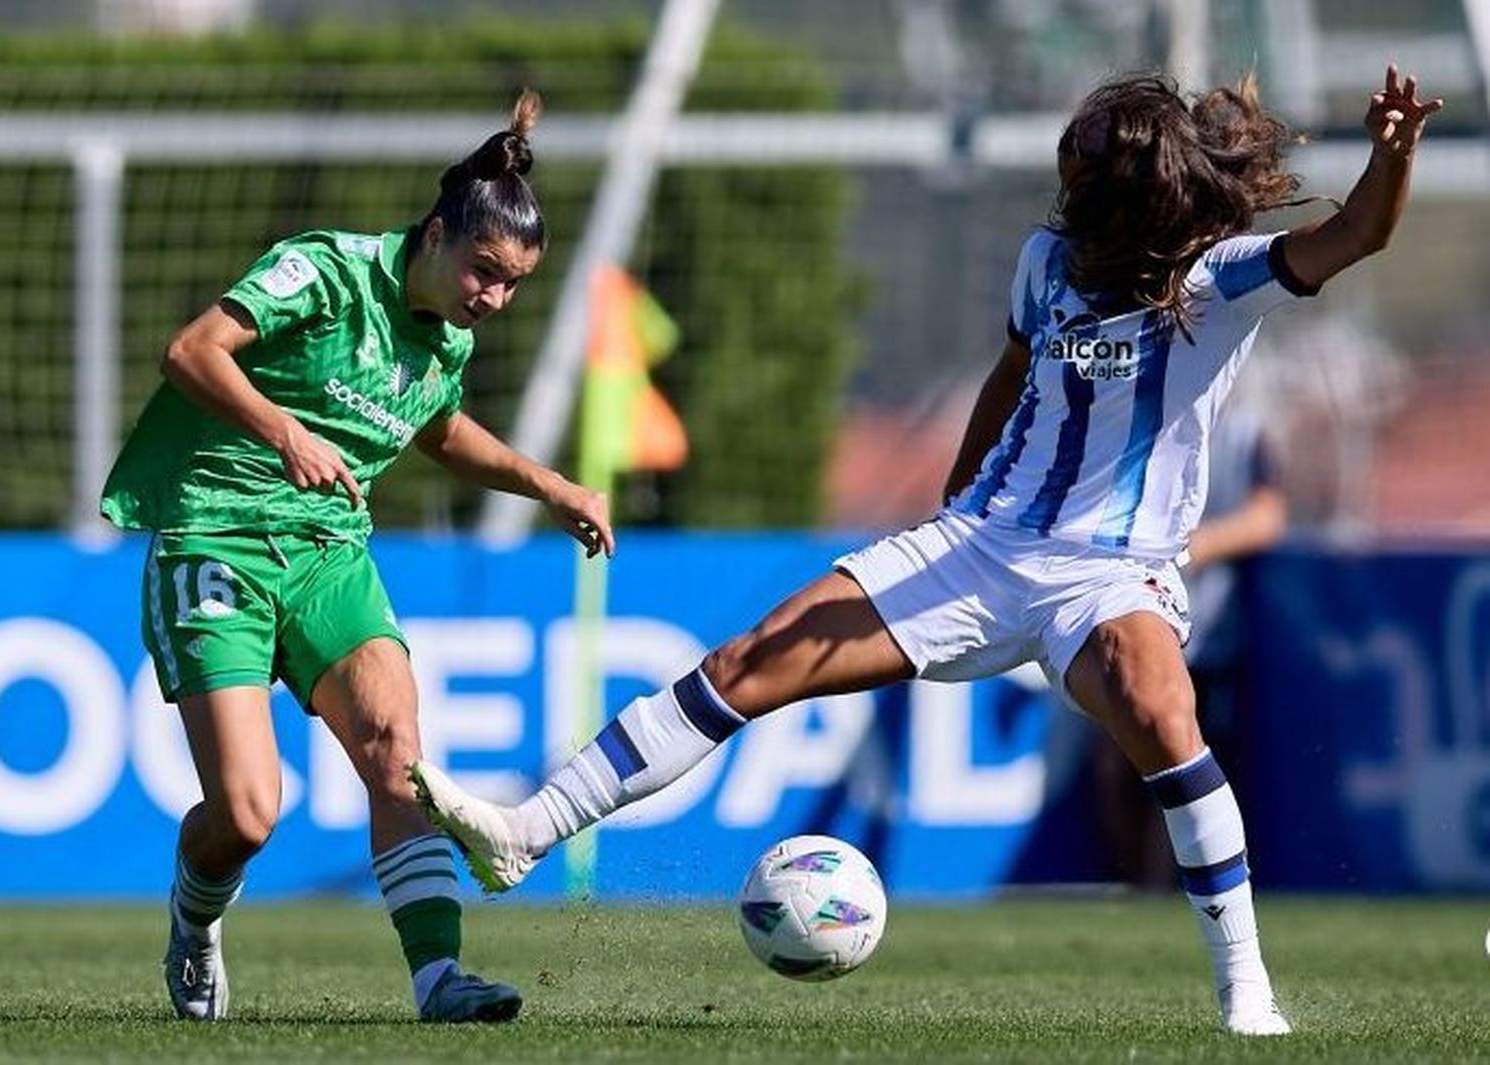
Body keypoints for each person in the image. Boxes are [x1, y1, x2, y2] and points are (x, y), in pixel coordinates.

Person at [412, 67, 1442, 1036]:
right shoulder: (1046, 263)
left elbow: (1355, 232)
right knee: (747, 663)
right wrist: (960, 491)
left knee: (1160, 712)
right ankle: (527, 832)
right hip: (982, 545)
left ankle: (1245, 990)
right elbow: (1010, 369)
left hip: (1109, 572)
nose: (1066, 189)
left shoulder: (1223, 282)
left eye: (1084, 173)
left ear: (1138, 193)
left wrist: (1389, 157)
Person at [99, 90, 614, 1024]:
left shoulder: (445, 339)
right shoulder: (323, 271)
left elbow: (440, 430)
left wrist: (556, 488)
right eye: (484, 271)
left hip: (330, 555)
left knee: (396, 753)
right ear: (438, 230)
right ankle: (196, 911)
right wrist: (284, 430)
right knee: (249, 814)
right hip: (216, 534)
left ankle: (438, 979)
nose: (491, 300)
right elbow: (192, 351)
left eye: (512, 286)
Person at [1094, 387, 1288, 889]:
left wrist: (1196, 546)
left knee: (1178, 766)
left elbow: (1267, 517)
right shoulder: (1137, 416)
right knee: (1115, 768)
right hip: (1124, 622)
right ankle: (1140, 887)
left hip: (1202, 634)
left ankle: (1168, 892)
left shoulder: (1245, 431)